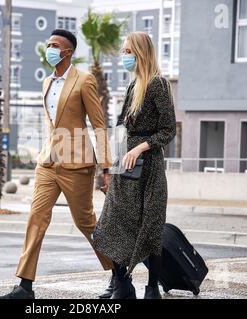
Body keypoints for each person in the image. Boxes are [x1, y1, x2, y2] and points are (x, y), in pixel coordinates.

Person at [0, 29, 114, 299]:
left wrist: (106, 168)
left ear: (68, 52)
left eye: (55, 45)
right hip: (48, 162)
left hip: (77, 163)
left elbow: (99, 125)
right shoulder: (47, 82)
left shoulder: (84, 80)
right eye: (48, 44)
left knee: (86, 223)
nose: (49, 48)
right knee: (36, 218)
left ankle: (119, 274)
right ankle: (25, 286)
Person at [92, 31, 177, 299]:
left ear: (140, 53)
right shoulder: (133, 86)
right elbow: (121, 127)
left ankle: (152, 288)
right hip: (124, 167)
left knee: (150, 228)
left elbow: (168, 130)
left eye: (128, 52)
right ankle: (121, 284)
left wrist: (140, 147)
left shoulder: (158, 85)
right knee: (110, 225)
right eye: (123, 51)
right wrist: (109, 163)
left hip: (148, 169)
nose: (124, 56)